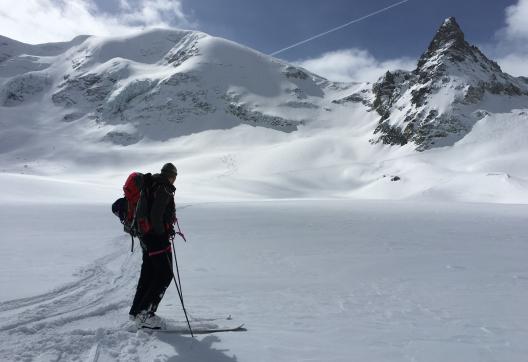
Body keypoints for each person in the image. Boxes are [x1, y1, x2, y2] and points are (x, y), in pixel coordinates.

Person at [129, 162, 178, 329]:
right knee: (165, 274)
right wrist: (163, 233)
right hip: (156, 238)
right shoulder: (164, 188)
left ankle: (136, 312)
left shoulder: (151, 184)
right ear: (172, 176)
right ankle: (145, 314)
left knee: (148, 274)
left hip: (145, 237)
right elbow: (156, 215)